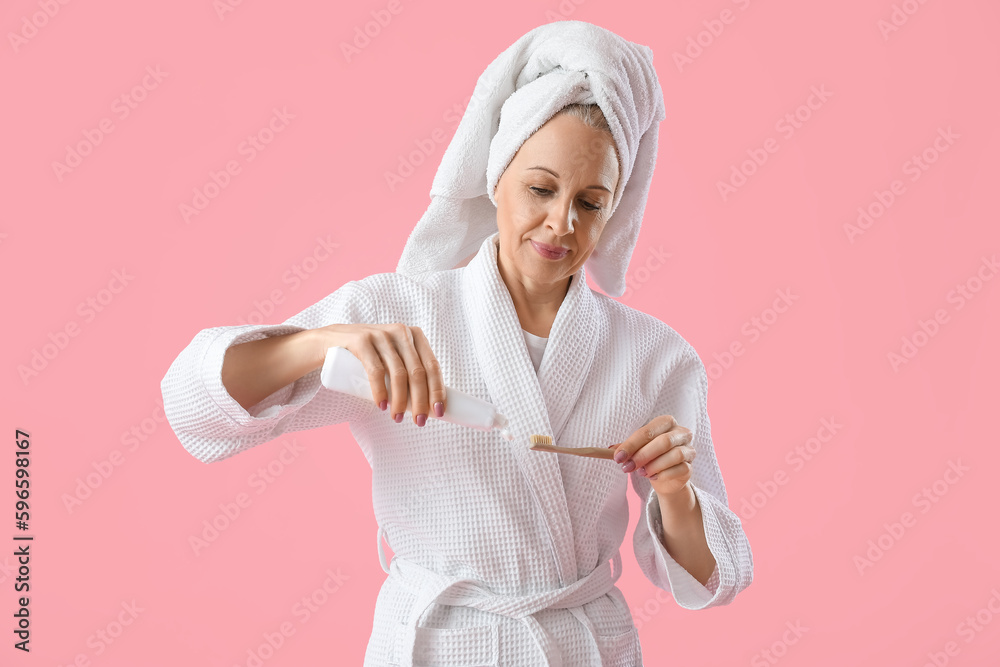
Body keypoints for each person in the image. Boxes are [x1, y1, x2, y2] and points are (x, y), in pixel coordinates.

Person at [161, 20, 753, 666]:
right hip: (435, 643)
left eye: (591, 201)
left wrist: (676, 493)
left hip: (580, 646)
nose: (562, 221)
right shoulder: (397, 313)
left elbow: (709, 578)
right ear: (496, 175)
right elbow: (191, 403)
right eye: (540, 188)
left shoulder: (655, 355)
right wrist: (324, 341)